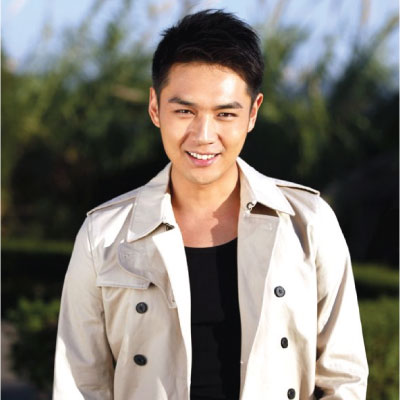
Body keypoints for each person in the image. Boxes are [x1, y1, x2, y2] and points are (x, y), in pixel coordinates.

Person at [53, 9, 368, 400]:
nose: (203, 135)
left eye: (225, 114)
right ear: (155, 107)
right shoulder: (103, 234)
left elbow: (343, 378)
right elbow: (79, 384)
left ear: (252, 113)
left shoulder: (308, 223)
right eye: (185, 111)